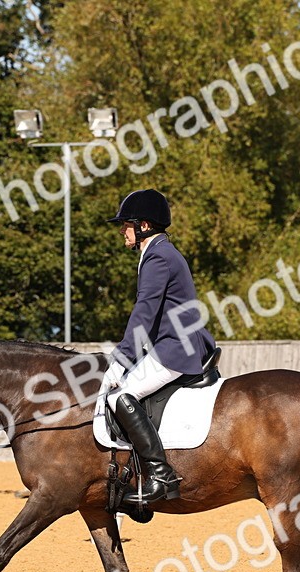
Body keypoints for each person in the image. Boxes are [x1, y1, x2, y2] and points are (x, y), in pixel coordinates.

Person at [103, 189, 215, 505]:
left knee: (121, 395)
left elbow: (145, 310)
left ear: (145, 225)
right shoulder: (160, 252)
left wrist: (122, 359)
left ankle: (161, 475)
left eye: (127, 224)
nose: (122, 230)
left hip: (175, 347)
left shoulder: (158, 256)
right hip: (170, 343)